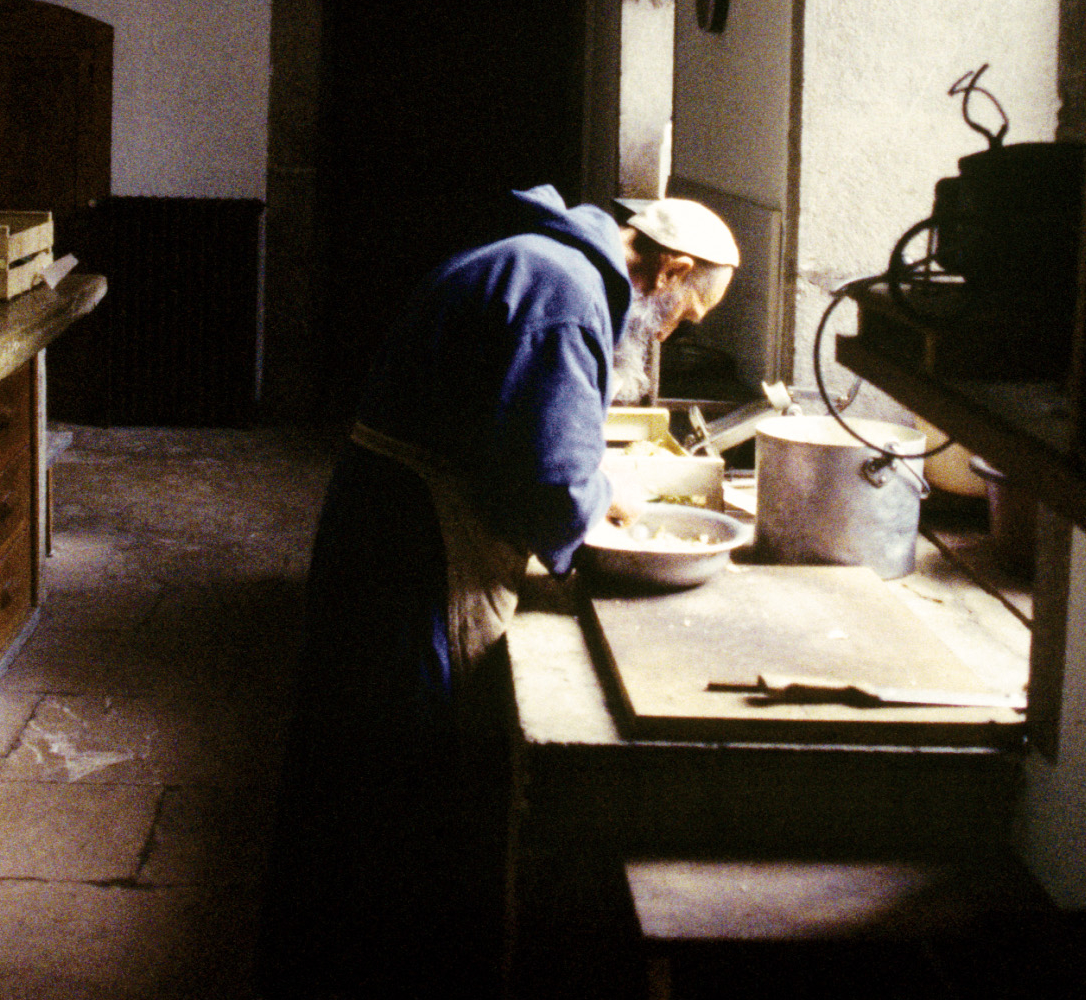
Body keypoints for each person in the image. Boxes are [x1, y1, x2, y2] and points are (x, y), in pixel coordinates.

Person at [256, 185, 738, 999]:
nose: (666, 334)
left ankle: (322, 952)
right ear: (671, 269)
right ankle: (359, 969)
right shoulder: (565, 293)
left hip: (386, 516)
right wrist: (591, 504)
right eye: (681, 317)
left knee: (350, 757)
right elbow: (546, 479)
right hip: (411, 544)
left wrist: (599, 481)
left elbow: (534, 433)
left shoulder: (544, 260)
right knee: (393, 757)